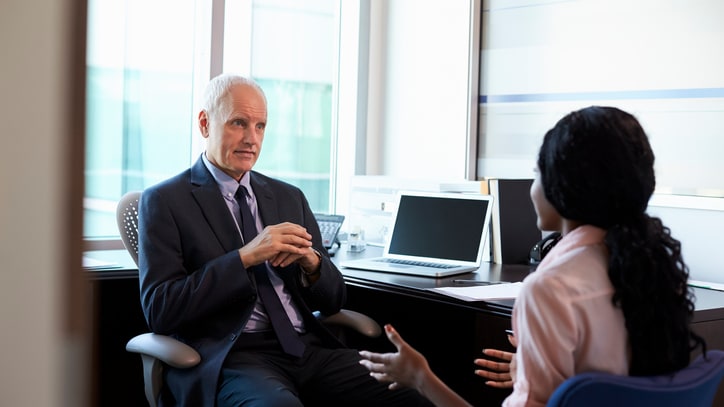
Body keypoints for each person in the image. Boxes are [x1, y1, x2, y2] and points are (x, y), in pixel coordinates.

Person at [358, 106, 707, 406]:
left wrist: (421, 377)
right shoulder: (657, 271)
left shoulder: (549, 290)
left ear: (563, 186)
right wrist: (536, 372)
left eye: (538, 172)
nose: (532, 186)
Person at [137, 73, 434, 407]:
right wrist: (245, 257)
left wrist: (313, 266)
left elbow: (334, 299)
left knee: (416, 392)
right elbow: (160, 309)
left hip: (307, 348)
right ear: (205, 123)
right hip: (236, 357)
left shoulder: (288, 197)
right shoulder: (164, 201)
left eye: (260, 126)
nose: (252, 139)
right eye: (239, 123)